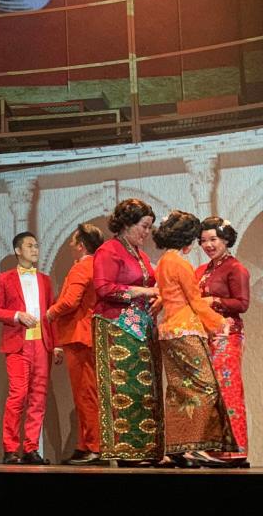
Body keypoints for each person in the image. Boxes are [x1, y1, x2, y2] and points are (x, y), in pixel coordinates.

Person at [153, 211, 234, 467]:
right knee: (205, 388)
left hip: (168, 332)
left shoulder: (164, 261)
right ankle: (196, 446)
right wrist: (220, 323)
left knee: (179, 391)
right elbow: (195, 302)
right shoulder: (180, 264)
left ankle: (178, 448)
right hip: (186, 330)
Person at [92, 198, 162, 464]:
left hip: (142, 328)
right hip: (116, 328)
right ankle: (124, 450)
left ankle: (145, 448)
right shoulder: (109, 250)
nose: (146, 233)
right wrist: (144, 291)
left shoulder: (140, 255)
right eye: (143, 226)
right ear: (126, 224)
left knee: (144, 391)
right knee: (125, 389)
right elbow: (104, 289)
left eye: (149, 228)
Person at [0, 232, 62, 465]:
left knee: (38, 398)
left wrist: (57, 344)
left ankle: (31, 448)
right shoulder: (4, 279)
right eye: (30, 246)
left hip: (41, 344)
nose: (35, 250)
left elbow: (52, 313)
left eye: (37, 245)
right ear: (18, 251)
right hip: (18, 344)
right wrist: (16, 315)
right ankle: (10, 449)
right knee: (18, 394)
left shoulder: (45, 279)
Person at [46, 223, 105, 465]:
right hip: (86, 335)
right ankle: (84, 444)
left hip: (80, 336)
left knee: (85, 393)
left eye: (73, 241)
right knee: (85, 393)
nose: (71, 245)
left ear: (81, 245)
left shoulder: (82, 267)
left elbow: (70, 301)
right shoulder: (96, 265)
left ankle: (93, 446)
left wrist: (50, 312)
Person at [195, 217, 251, 466]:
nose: (208, 245)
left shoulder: (235, 268)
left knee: (228, 390)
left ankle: (235, 450)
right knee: (212, 391)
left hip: (227, 336)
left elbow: (242, 304)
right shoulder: (205, 270)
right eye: (204, 241)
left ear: (226, 239)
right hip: (207, 336)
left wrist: (214, 301)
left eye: (213, 239)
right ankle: (216, 449)